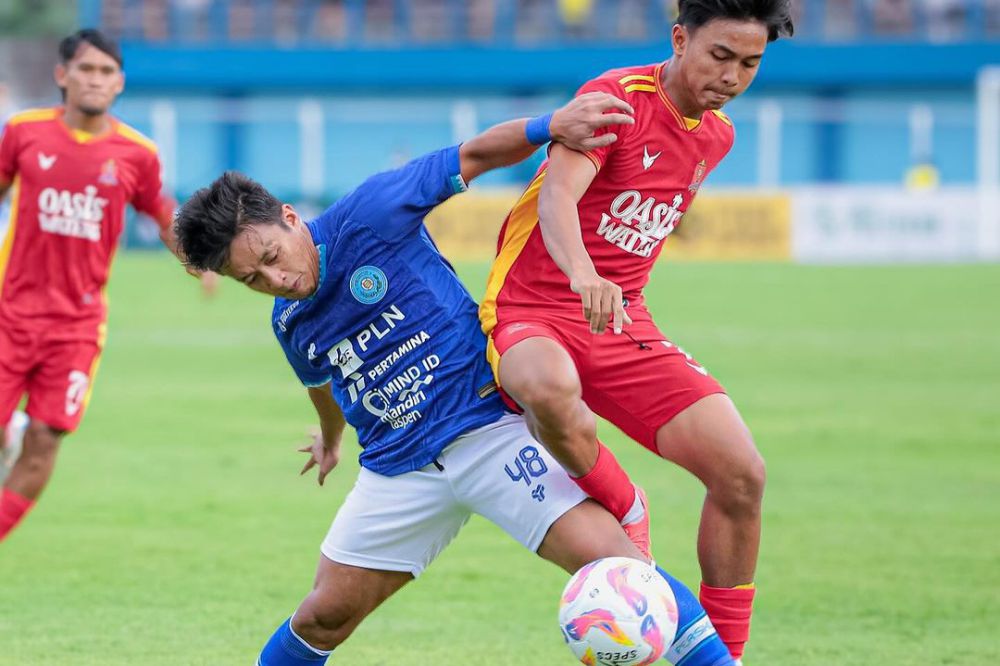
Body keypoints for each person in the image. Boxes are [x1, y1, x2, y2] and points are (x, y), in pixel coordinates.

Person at [174, 95, 737, 666]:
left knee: (619, 569)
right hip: (397, 472)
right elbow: (320, 380)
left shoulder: (369, 213)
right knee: (323, 616)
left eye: (272, 255)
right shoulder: (289, 321)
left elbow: (471, 155)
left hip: (489, 431)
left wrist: (550, 127)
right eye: (253, 279)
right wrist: (332, 436)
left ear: (290, 218)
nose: (277, 279)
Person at [479, 1, 794, 661]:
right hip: (532, 306)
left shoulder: (717, 136)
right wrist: (586, 272)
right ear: (680, 39)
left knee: (742, 474)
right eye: (720, 56)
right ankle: (627, 507)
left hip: (621, 323)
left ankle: (724, 656)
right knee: (547, 385)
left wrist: (612, 285)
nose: (732, 76)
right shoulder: (616, 98)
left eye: (750, 63)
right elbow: (560, 195)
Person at [0, 29, 212, 541]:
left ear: (119, 83)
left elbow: (161, 213)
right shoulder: (23, 133)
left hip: (76, 327)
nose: (95, 80)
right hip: (9, 313)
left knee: (45, 442)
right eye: (86, 69)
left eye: (106, 72)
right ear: (62, 75)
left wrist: (201, 260)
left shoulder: (136, 153)